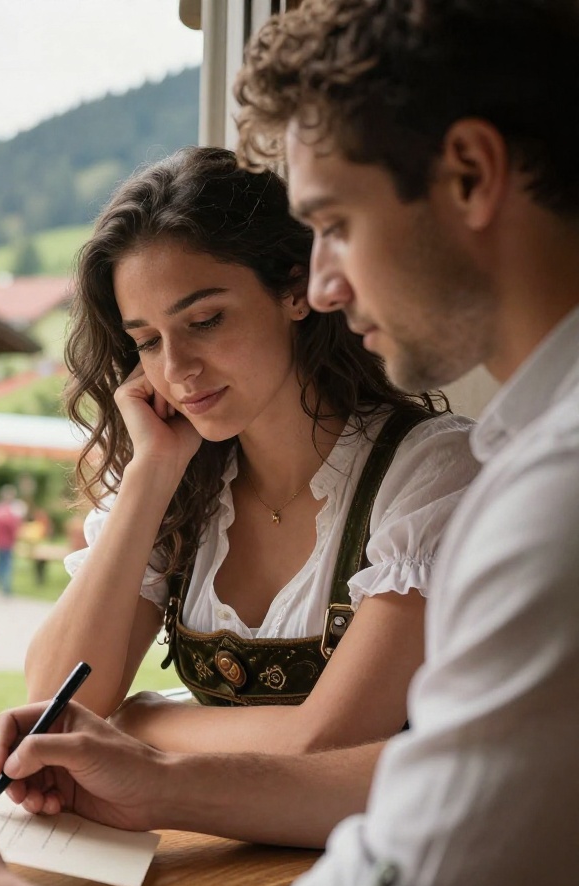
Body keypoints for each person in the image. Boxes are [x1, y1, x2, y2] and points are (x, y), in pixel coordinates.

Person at [0, 2, 579, 886]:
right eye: (144, 338)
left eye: (332, 223)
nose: (322, 280)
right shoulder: (532, 460)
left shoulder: (539, 489)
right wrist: (150, 476)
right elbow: (69, 689)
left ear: (468, 173)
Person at [25, 146, 477, 755]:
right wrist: (150, 472)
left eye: (205, 320)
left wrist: (140, 723)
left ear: (294, 290)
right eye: (150, 341)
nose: (178, 369)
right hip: (230, 849)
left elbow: (327, 745)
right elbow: (54, 707)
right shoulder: (182, 490)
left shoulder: (428, 474)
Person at [0, 484, 24, 595]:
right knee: (6, 566)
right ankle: (6, 589)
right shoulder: (11, 512)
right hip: (7, 543)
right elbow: (14, 527)